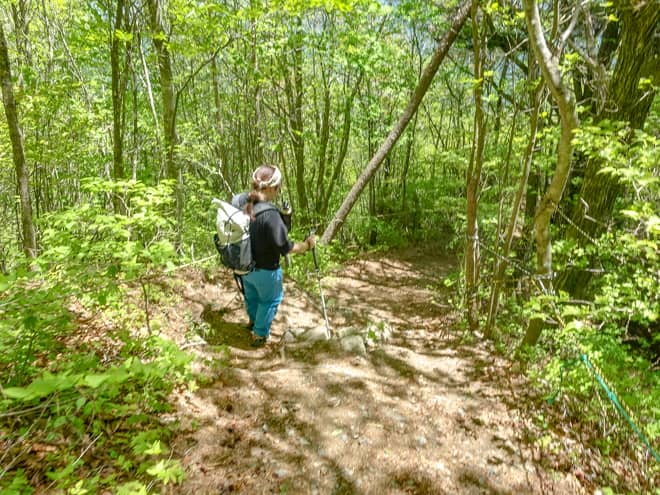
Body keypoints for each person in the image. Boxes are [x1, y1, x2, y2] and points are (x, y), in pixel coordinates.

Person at [233, 165, 315, 347]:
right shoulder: (270, 214)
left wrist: (285, 218)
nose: (279, 191)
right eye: (278, 187)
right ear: (271, 188)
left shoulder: (244, 205)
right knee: (270, 300)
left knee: (252, 297)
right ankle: (260, 335)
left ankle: (254, 321)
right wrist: (307, 245)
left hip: (245, 267)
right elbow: (284, 247)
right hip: (267, 271)